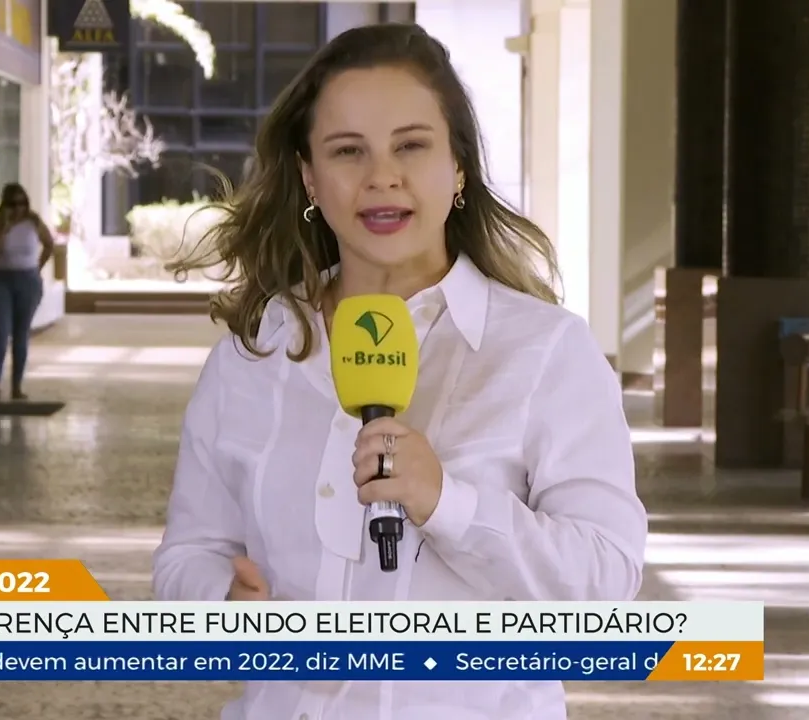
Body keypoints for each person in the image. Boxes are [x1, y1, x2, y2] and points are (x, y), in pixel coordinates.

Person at [152, 23, 647, 720]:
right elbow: (187, 556)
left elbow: (606, 582)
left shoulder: (546, 351)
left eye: (411, 145)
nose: (381, 176)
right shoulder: (253, 354)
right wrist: (220, 606)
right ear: (309, 177)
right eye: (347, 150)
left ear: (459, 167)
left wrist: (447, 502)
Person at [0, 183, 53, 401]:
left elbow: (49, 244)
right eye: (12, 204)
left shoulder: (34, 222)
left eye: (22, 203)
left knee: (21, 334)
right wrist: (5, 226)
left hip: (28, 281)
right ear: (4, 205)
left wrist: (37, 268)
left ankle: (17, 386)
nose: (18, 208)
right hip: (0, 281)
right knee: (1, 331)